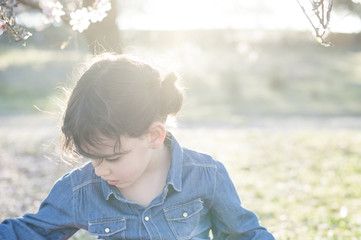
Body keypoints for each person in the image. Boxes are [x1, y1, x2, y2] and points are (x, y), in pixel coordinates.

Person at [0, 53, 275, 240]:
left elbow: (245, 234)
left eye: (112, 158)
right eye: (92, 159)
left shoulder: (206, 175)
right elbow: (29, 231)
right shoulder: (81, 190)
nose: (100, 171)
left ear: (154, 136)